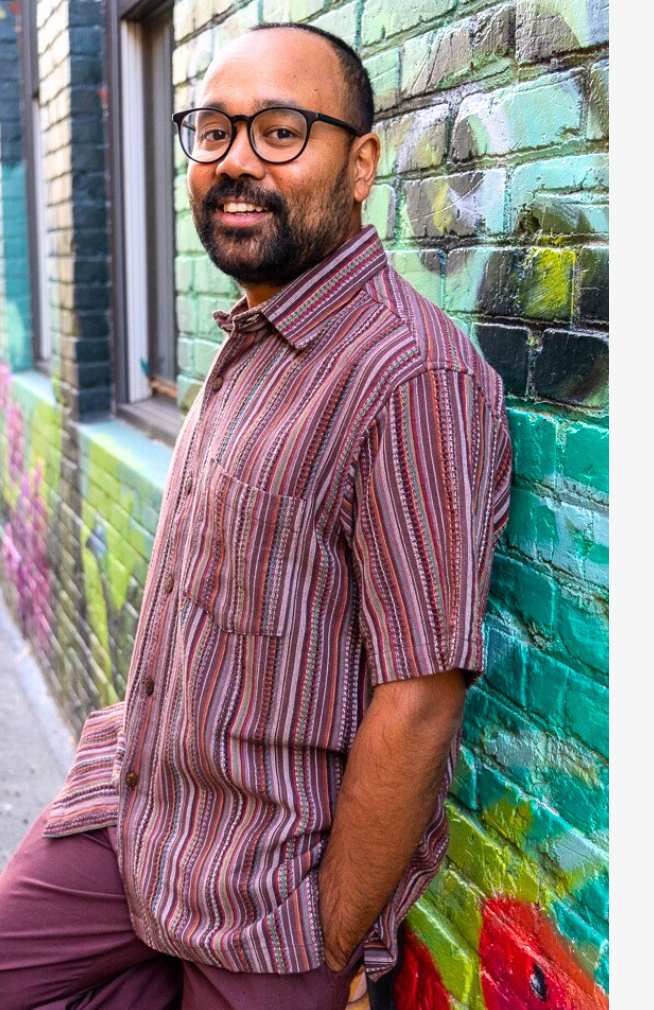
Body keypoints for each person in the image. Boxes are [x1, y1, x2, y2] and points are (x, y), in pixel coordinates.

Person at [0, 21, 512, 1010]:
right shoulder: (254, 334)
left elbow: (419, 702)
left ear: (360, 165)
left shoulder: (411, 378)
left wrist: (329, 946)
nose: (237, 161)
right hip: (134, 823)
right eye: (214, 130)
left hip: (265, 901)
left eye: (281, 131)